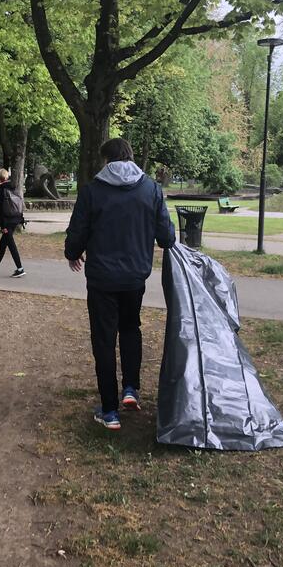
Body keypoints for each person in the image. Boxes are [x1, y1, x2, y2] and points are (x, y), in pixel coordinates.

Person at [64, 138, 175, 431]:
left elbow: (78, 230)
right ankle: (131, 388)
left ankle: (110, 410)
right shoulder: (151, 189)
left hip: (101, 278)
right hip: (135, 277)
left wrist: (73, 253)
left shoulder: (92, 192)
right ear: (130, 157)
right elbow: (167, 237)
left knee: (103, 339)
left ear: (107, 160)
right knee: (130, 328)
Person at [0, 168, 26, 278]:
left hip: (6, 221)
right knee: (4, 242)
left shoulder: (0, 189)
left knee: (10, 244)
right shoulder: (14, 188)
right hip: (16, 218)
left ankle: (20, 268)